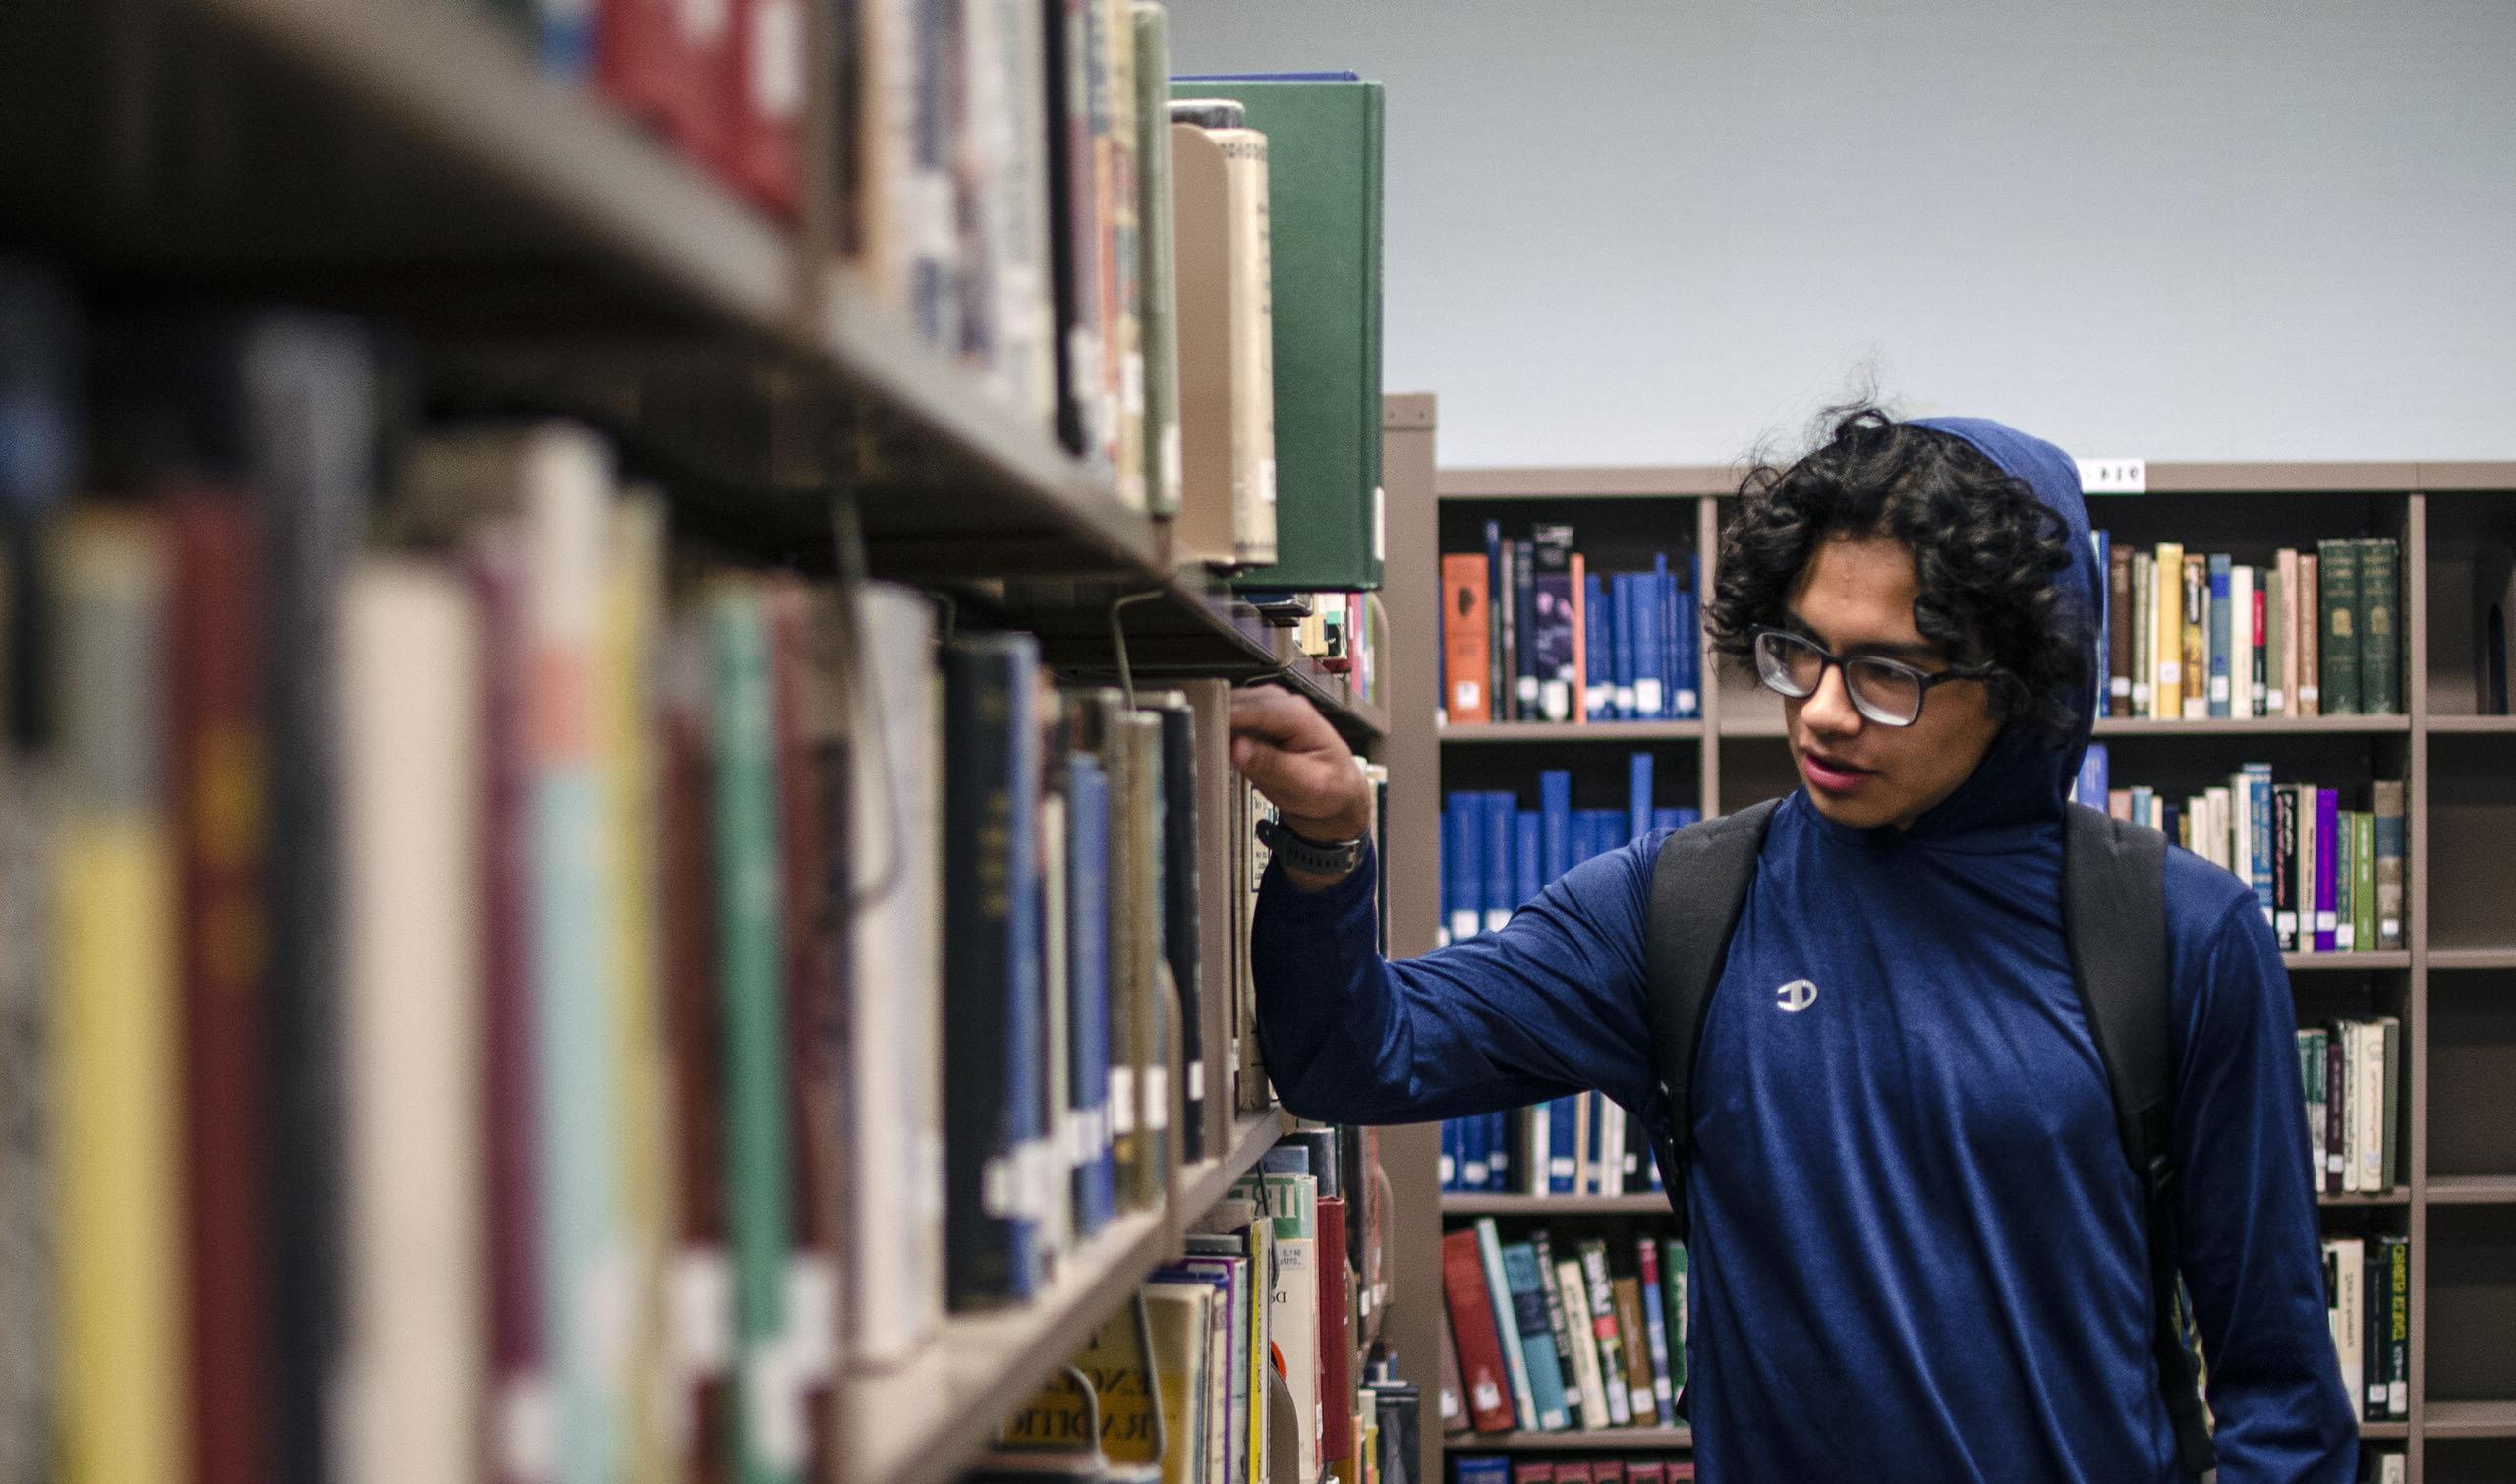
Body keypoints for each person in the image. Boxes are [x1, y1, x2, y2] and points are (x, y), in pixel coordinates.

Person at [1226, 410, 2357, 1483]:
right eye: (1798, 651)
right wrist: (1325, 840)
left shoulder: (2177, 932)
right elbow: (1350, 1057)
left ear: (2022, 684)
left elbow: (2278, 1376)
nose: (1819, 709)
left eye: (1885, 671)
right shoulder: (1677, 908)